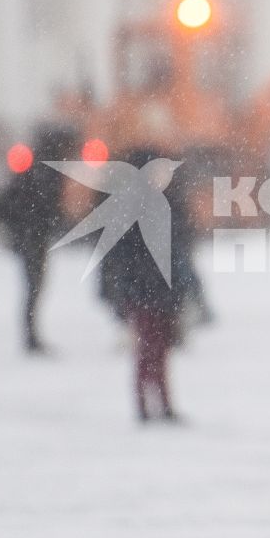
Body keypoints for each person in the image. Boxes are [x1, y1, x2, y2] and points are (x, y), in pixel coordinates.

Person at [97, 149, 187, 425]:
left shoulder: (162, 203)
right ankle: (146, 406)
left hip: (159, 289)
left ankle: (159, 404)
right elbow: (120, 256)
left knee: (158, 350)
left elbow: (177, 251)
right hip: (145, 290)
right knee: (148, 351)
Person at [0, 124, 78, 355]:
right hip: (32, 237)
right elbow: (46, 206)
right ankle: (31, 337)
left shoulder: (35, 167)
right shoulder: (47, 171)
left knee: (33, 287)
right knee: (34, 286)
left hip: (28, 236)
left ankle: (31, 335)